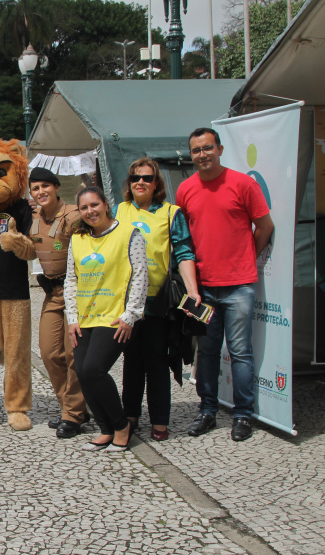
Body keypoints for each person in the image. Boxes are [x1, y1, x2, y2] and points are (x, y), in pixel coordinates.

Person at [176, 127, 274, 442]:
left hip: (238, 285)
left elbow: (265, 226)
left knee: (241, 351)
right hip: (202, 288)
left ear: (219, 149)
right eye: (195, 150)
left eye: (207, 148)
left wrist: (247, 257)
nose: (202, 154)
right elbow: (184, 241)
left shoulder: (243, 184)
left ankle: (243, 416)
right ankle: (207, 411)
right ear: (190, 155)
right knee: (206, 351)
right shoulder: (185, 190)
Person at [113, 158, 199, 441]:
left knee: (157, 363)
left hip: (158, 302)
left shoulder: (171, 213)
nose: (141, 182)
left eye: (147, 178)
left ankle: (160, 419)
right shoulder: (120, 210)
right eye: (135, 177)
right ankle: (131, 415)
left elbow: (184, 252)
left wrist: (192, 290)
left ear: (156, 183)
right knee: (131, 361)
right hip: (128, 304)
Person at [64, 186, 147, 452]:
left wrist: (130, 315)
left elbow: (139, 276)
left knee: (94, 369)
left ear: (106, 205)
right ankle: (105, 428)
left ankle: (122, 426)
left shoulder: (129, 233)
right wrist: (72, 317)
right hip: (85, 316)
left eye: (94, 205)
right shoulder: (77, 238)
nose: (90, 211)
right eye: (84, 208)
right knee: (81, 371)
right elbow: (71, 279)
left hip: (114, 316)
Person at [27, 167, 88, 439]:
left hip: (78, 292)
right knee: (50, 352)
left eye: (45, 186)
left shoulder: (74, 216)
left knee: (73, 354)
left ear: (56, 187)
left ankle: (72, 414)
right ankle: (72, 406)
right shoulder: (34, 218)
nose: (41, 192)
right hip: (52, 292)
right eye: (35, 188)